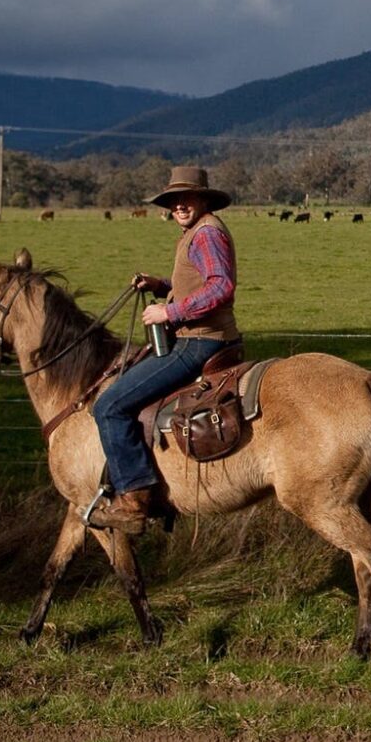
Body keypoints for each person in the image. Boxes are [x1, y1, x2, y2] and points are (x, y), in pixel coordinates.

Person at [86, 165, 242, 532]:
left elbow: (221, 286)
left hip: (198, 342)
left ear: (203, 199)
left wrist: (169, 311)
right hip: (202, 336)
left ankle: (133, 499)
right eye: (173, 201)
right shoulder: (198, 232)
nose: (179, 206)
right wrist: (161, 285)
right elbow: (197, 282)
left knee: (109, 405)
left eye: (186, 198)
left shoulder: (205, 234)